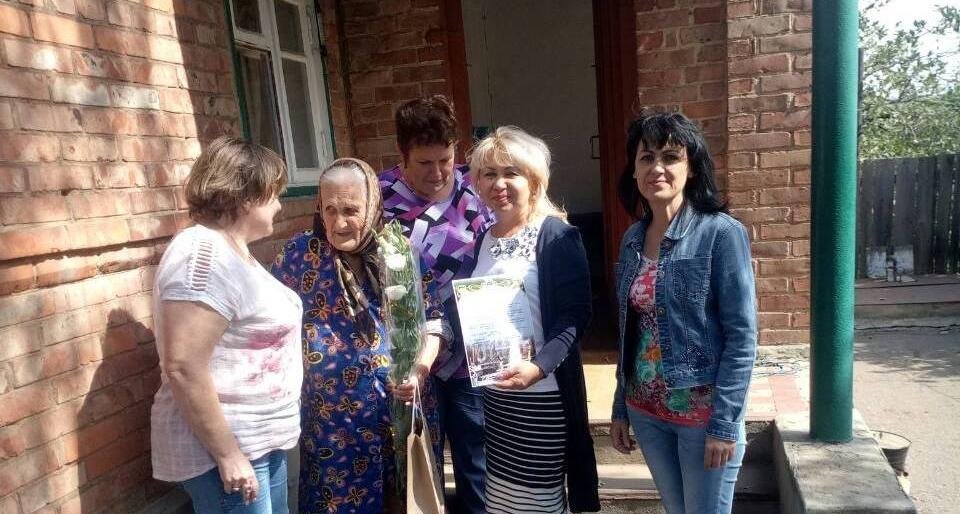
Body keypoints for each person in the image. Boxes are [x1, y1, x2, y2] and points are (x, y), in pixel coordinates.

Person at [271, 158, 446, 514]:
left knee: (405, 503)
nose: (339, 223)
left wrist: (420, 370)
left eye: (351, 210)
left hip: (398, 415)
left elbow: (435, 322)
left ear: (373, 205)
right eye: (330, 210)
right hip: (333, 428)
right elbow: (267, 320)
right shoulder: (300, 255)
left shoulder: (398, 252)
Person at [609, 111, 758, 514]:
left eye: (670, 157)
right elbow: (630, 331)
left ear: (691, 167)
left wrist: (725, 424)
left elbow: (742, 338)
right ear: (634, 170)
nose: (656, 168)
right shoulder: (633, 238)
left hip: (702, 416)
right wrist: (621, 407)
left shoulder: (721, 233)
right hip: (646, 411)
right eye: (646, 158)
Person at [150, 136, 301, 513]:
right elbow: (184, 366)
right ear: (246, 197)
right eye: (274, 194)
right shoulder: (201, 256)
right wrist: (228, 454)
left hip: (258, 443)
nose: (279, 205)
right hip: (231, 450)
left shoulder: (229, 250)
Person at [465, 126, 600, 513]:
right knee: (502, 499)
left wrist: (538, 367)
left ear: (534, 181)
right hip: (497, 396)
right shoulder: (483, 240)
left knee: (538, 502)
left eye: (511, 173)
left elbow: (576, 316)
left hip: (542, 396)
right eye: (489, 174)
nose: (499, 184)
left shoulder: (556, 236)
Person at [379, 95, 492, 513]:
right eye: (424, 163)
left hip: (469, 354)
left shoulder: (474, 189)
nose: (438, 172)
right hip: (407, 355)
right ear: (402, 154)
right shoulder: (380, 198)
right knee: (417, 462)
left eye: (445, 159)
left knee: (476, 459)